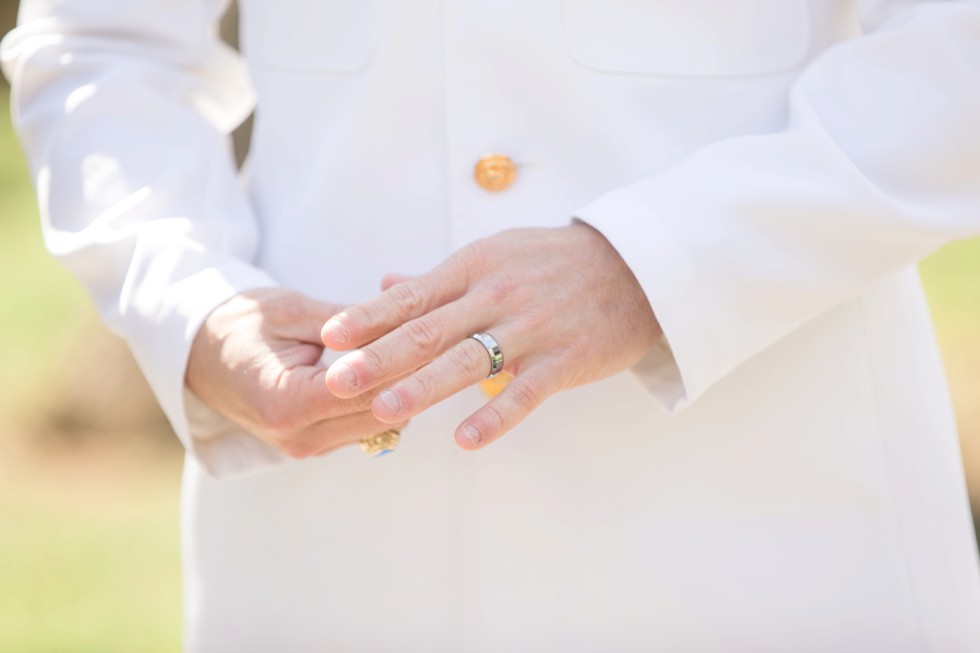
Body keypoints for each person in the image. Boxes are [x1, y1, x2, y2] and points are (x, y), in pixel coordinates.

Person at [4, 0, 980, 650]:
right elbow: (102, 45)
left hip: (773, 541)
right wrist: (193, 305)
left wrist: (651, 265)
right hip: (332, 554)